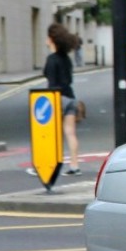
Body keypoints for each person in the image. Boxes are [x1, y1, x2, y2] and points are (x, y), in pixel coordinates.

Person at [43, 22, 81, 175]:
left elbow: (52, 84)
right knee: (70, 133)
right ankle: (74, 165)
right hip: (70, 97)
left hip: (56, 98)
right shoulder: (66, 59)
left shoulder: (51, 59)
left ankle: (48, 165)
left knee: (50, 134)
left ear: (52, 39)